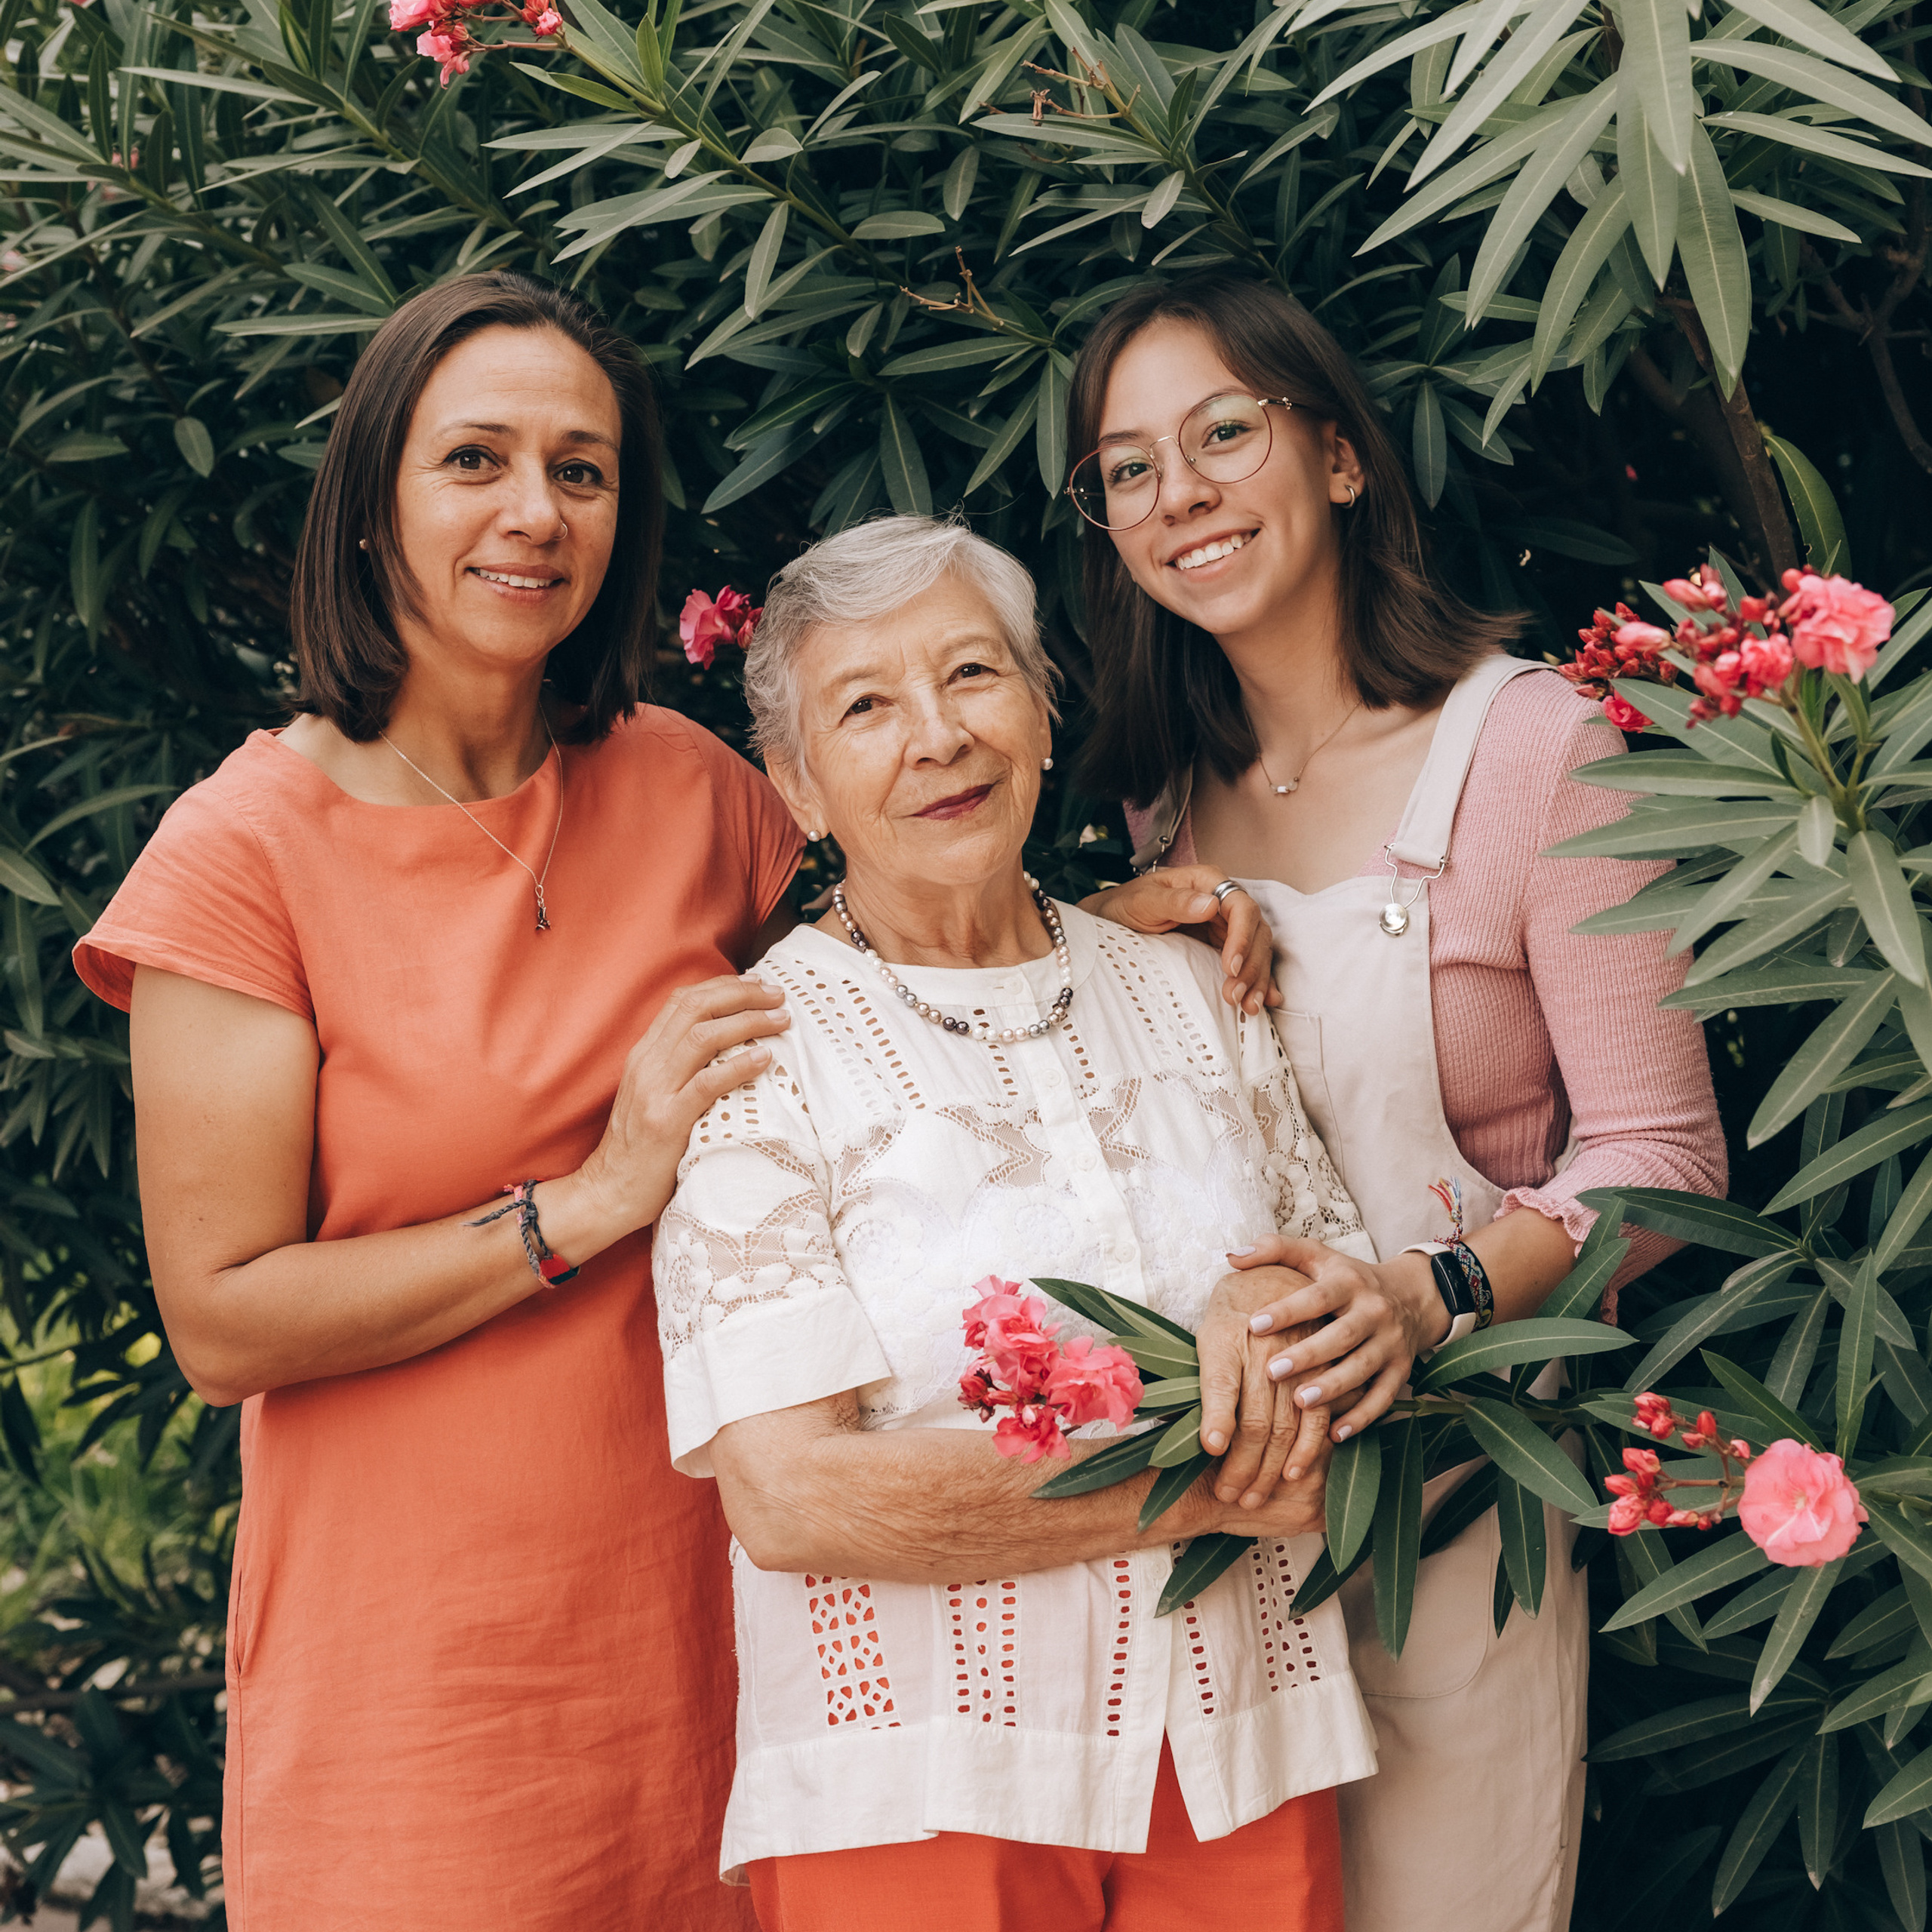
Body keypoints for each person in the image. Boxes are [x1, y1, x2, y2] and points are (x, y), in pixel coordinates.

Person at [71, 272, 804, 1930]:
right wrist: (593, 1198)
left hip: (714, 1641)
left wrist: (1098, 938)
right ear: (371, 501)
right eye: (474, 459)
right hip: (424, 1686)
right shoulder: (240, 852)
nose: (534, 512)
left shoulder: (700, 795)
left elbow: (881, 1026)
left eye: (582, 468)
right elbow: (224, 1317)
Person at [1067, 272, 1727, 1932]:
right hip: (1219, 1525)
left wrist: (1429, 1296)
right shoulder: (1160, 804)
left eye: (1223, 431)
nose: (1179, 495)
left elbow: (1661, 1160)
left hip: (1456, 1506)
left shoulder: (1531, 749)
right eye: (1128, 466)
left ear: (1343, 453)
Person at [651, 513, 1381, 1932]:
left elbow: (1339, 1296)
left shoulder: (1186, 987)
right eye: (867, 706)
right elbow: (792, 1497)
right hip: (921, 1784)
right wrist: (1208, 1476)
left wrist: (1274, 1317)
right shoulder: (764, 1059)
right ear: (798, 788)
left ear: (1045, 715)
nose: (939, 737)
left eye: (975, 675)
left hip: (1241, 1748)